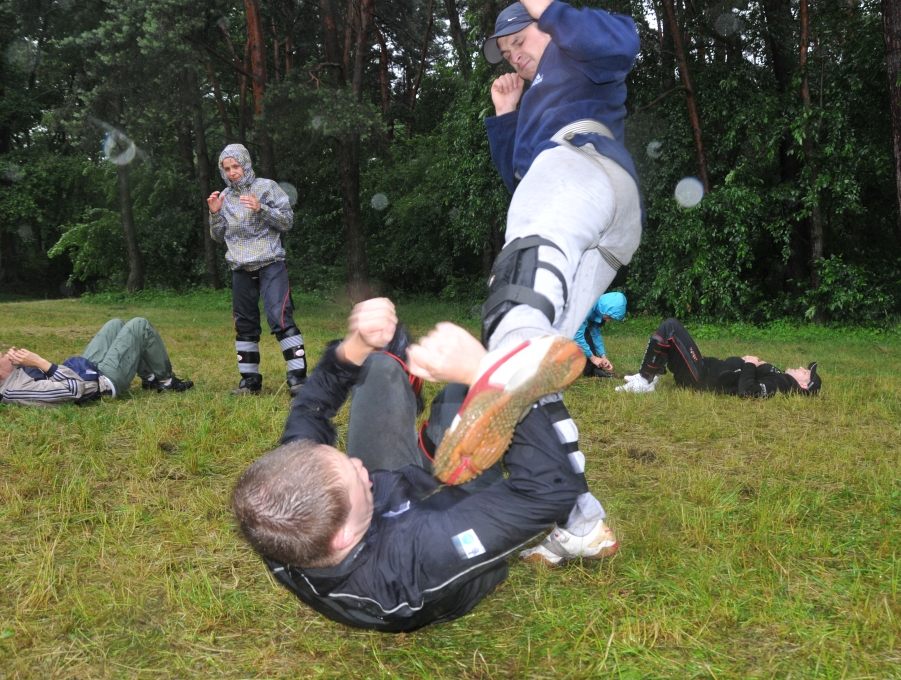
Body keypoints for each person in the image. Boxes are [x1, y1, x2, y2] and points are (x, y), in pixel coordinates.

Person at [231, 298, 616, 632]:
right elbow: (549, 491)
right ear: (344, 537)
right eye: (355, 477)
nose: (360, 466)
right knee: (492, 389)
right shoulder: (417, 559)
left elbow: (311, 408)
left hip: (398, 496)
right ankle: (570, 521)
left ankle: (435, 445)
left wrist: (355, 345)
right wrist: (490, 374)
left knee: (379, 366)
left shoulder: (278, 509)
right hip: (444, 533)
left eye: (344, 459)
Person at [428, 0, 643, 565]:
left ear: (548, 27)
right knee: (537, 372)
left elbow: (623, 41)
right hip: (601, 213)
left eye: (521, 40)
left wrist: (548, 7)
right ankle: (577, 520)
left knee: (515, 308)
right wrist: (505, 117)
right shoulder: (532, 99)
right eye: (506, 53)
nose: (515, 56)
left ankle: (516, 344)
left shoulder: (578, 56)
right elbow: (522, 181)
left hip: (584, 165)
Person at [207, 143, 307, 397]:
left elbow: (287, 221)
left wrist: (261, 208)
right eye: (227, 169)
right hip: (240, 268)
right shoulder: (225, 198)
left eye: (236, 166)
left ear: (246, 164)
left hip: (270, 263)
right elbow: (218, 236)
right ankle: (250, 381)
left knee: (279, 317)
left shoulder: (266, 187)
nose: (232, 172)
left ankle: (298, 379)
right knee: (244, 324)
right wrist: (215, 214)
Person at [0, 317, 193, 406]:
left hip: (85, 370)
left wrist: (20, 362)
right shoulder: (16, 390)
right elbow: (74, 390)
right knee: (139, 326)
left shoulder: (12, 378)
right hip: (102, 382)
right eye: (0, 357)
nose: (3, 354)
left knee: (115, 325)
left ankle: (149, 378)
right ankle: (166, 382)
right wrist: (40, 361)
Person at [615, 318, 823, 397]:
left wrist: (750, 364)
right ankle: (648, 378)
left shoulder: (781, 384)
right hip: (702, 370)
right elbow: (745, 375)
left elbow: (748, 391)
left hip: (700, 376)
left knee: (671, 328)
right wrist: (746, 363)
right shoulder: (780, 377)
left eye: (805, 372)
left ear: (804, 385)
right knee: (672, 337)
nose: (800, 368)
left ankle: (644, 381)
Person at [575, 292, 626, 378]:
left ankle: (591, 369)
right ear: (605, 308)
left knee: (587, 335)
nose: (608, 321)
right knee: (583, 334)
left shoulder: (598, 311)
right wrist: (593, 358)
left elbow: (595, 335)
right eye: (609, 317)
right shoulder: (586, 307)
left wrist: (603, 356)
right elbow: (576, 336)